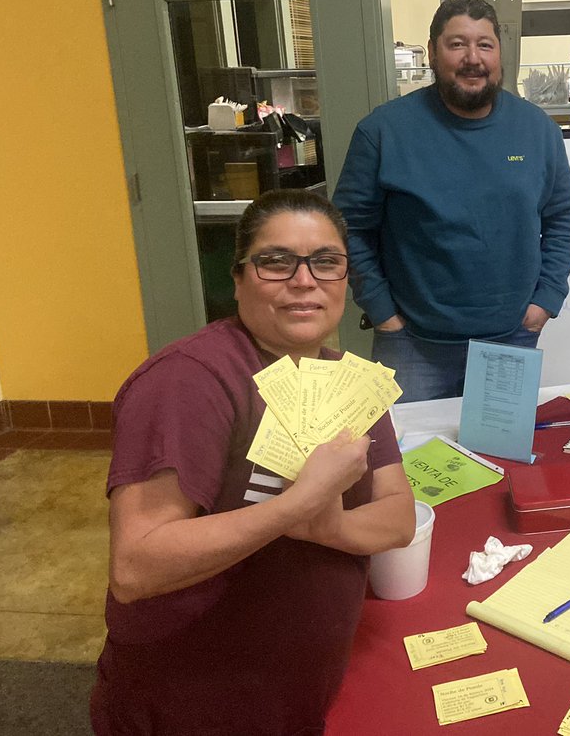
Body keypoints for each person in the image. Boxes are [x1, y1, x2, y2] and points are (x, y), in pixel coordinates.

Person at [90, 189, 417, 735]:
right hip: (193, 705)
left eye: (326, 262)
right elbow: (136, 565)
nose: (304, 280)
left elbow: (399, 516)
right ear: (238, 277)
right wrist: (301, 504)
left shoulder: (345, 378)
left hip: (297, 693)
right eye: (275, 261)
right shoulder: (189, 381)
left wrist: (330, 524)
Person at [334, 0, 570, 403]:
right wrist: (383, 313)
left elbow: (563, 219)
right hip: (411, 346)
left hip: (511, 342)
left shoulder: (537, 130)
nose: (473, 58)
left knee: (502, 464)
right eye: (457, 44)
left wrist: (545, 302)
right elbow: (348, 229)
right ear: (432, 52)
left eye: (485, 44)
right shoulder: (383, 132)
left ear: (500, 54)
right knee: (409, 463)